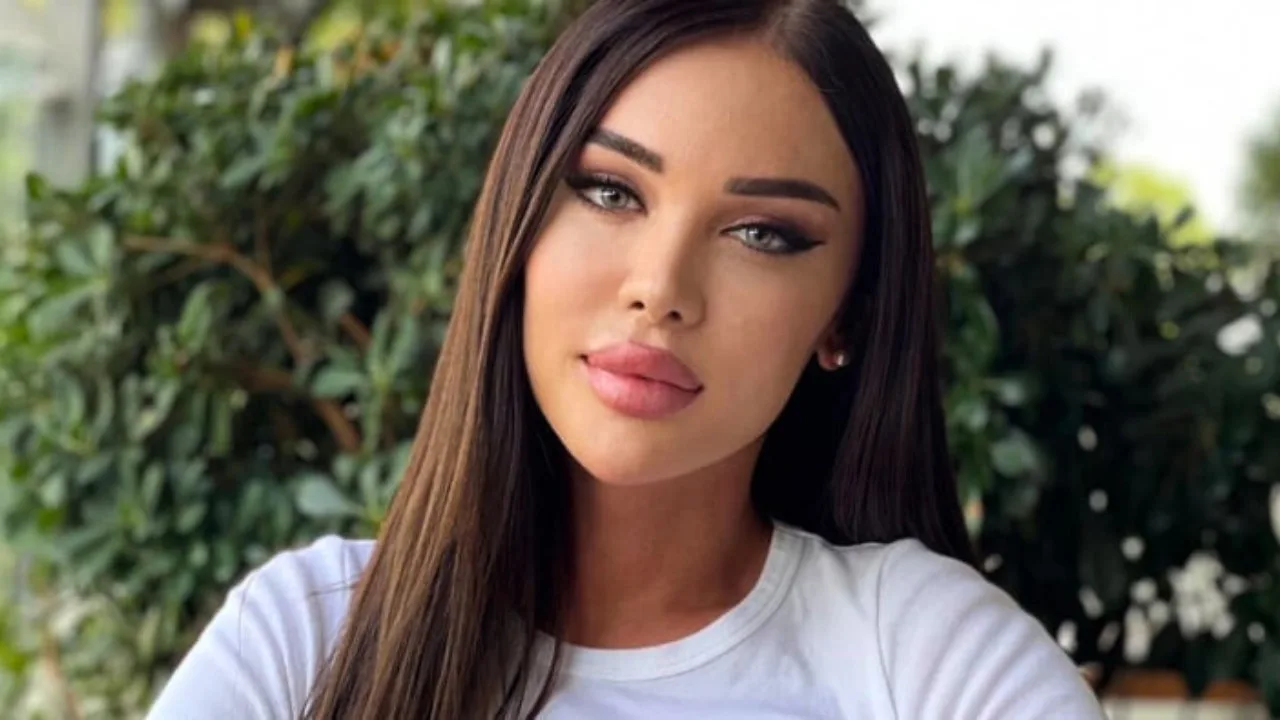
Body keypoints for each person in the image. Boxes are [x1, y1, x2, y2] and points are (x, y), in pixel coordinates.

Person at [148, 0, 1105, 718]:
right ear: (519, 227)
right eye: (611, 192)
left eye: (764, 234)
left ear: (844, 317)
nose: (661, 287)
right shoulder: (304, 639)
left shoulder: (925, 661)